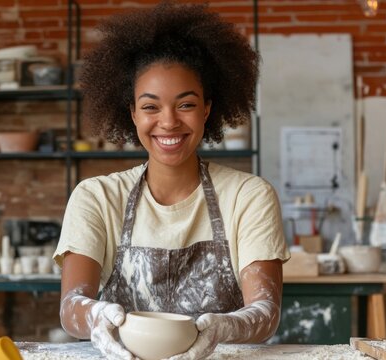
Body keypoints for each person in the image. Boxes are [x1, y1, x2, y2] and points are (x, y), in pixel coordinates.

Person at [53, 2, 290, 359]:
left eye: (186, 105)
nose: (168, 122)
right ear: (132, 113)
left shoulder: (248, 196)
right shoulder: (96, 197)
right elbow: (72, 307)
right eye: (150, 107)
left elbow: (265, 312)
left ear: (207, 109)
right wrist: (97, 316)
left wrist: (223, 327)